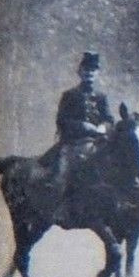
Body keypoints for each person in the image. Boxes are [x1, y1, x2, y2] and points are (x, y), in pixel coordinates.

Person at [50, 50, 115, 207]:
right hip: (74, 142)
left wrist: (102, 126)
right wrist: (83, 126)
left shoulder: (101, 97)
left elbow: (109, 119)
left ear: (97, 73)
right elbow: (62, 120)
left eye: (93, 70)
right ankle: (60, 207)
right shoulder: (70, 95)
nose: (89, 74)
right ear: (80, 72)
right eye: (86, 70)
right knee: (63, 174)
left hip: (97, 143)